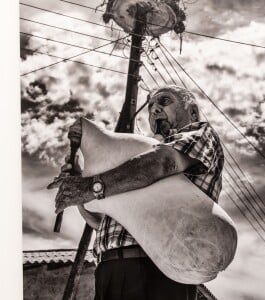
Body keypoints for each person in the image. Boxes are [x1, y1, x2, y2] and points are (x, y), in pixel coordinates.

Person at [48, 85, 224, 300]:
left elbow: (164, 162)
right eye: (150, 106)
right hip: (110, 269)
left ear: (193, 112)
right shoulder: (137, 162)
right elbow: (101, 222)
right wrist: (79, 184)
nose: (154, 110)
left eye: (164, 101)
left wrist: (90, 186)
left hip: (159, 271)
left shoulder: (199, 133)